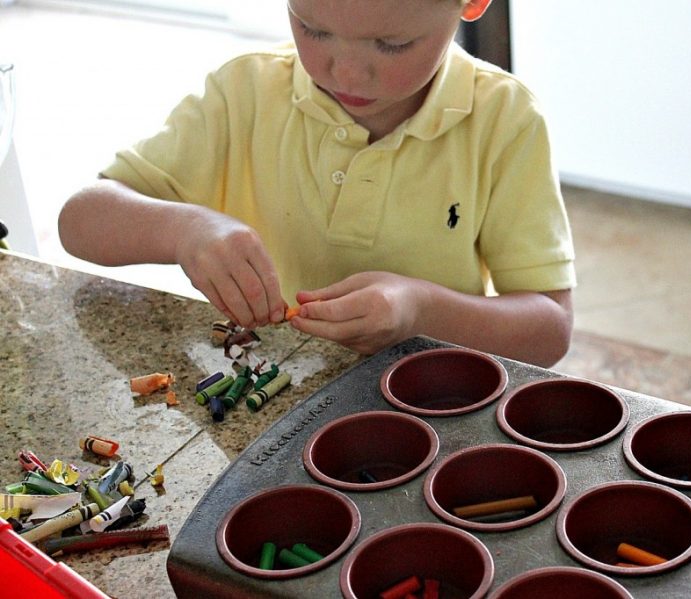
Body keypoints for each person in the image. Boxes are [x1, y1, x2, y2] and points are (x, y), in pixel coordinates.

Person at [58, 0, 576, 367]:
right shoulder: (244, 93)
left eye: (391, 44)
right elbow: (81, 219)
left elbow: (549, 329)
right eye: (313, 28)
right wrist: (184, 230)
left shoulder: (506, 120)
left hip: (428, 403)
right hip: (264, 390)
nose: (346, 71)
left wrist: (418, 308)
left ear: (471, 3)